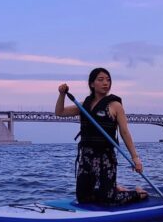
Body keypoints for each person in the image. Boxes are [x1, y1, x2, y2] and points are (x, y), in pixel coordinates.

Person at [55, 67, 148, 206]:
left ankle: (138, 193)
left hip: (105, 157)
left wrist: (135, 158)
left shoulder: (115, 106)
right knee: (83, 199)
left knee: (108, 201)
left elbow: (124, 132)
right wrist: (62, 94)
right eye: (101, 79)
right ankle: (114, 188)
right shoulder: (83, 106)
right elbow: (60, 112)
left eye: (108, 80)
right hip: (86, 156)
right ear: (92, 84)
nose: (106, 83)